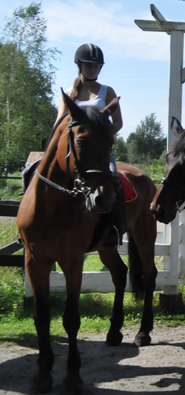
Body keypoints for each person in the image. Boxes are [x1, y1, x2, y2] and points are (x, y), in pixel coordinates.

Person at [50, 43, 125, 247]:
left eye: (96, 66)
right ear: (79, 66)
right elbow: (59, 123)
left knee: (115, 183)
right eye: (89, 65)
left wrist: (102, 139)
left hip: (99, 152)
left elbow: (118, 122)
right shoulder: (68, 93)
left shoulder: (107, 92)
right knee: (34, 174)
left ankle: (114, 228)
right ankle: (30, 227)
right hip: (73, 150)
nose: (93, 69)